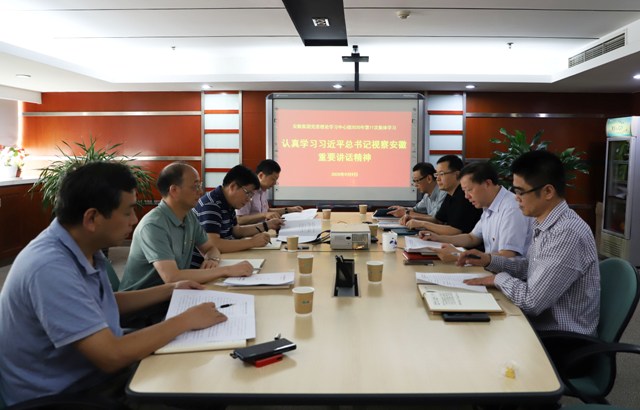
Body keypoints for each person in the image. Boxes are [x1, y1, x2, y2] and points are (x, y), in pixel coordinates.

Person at [0, 162, 228, 407]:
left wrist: (172, 288)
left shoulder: (82, 246)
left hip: (88, 370)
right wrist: (186, 320)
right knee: (197, 393)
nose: (134, 219)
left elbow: (103, 301)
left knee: (195, 370)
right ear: (92, 218)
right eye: (128, 211)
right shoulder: (49, 267)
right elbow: (111, 356)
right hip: (60, 395)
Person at [462, 150, 600, 335]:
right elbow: (530, 268)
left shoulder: (567, 233)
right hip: (537, 324)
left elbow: (532, 301)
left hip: (560, 338)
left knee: (477, 334)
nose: (516, 198)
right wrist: (489, 260)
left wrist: (498, 278)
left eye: (521, 192)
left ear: (548, 191)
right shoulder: (544, 223)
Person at [119, 162, 253, 291]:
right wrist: (227, 270)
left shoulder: (188, 216)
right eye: (195, 186)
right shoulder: (153, 225)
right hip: (148, 303)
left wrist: (212, 258)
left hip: (176, 293)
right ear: (174, 190)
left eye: (200, 186)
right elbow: (172, 277)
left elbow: (210, 247)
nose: (200, 192)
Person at [419, 161, 532, 261]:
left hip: (506, 275)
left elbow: (507, 256)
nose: (466, 196)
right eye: (464, 191)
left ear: (487, 183)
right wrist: (437, 238)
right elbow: (472, 238)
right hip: (489, 269)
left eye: (469, 190)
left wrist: (458, 255)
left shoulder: (511, 208)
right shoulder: (488, 205)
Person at [191, 164, 285, 263]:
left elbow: (237, 231)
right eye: (248, 193)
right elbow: (213, 244)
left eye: (251, 195)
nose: (249, 199)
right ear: (233, 187)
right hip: (205, 265)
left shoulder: (228, 202)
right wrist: (252, 242)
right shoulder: (211, 205)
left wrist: (267, 225)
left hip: (224, 258)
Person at [405, 155, 482, 235]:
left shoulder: (464, 196)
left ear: (457, 174)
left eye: (441, 174)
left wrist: (423, 224)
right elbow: (438, 220)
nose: (437, 179)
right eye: (437, 174)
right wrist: (414, 218)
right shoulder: (450, 194)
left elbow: (455, 231)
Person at [236, 159, 303, 225]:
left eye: (276, 180)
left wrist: (289, 209)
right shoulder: (247, 191)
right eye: (273, 179)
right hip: (251, 230)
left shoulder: (263, 190)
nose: (275, 183)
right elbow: (239, 219)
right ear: (261, 175)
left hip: (263, 228)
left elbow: (266, 211)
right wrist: (264, 215)